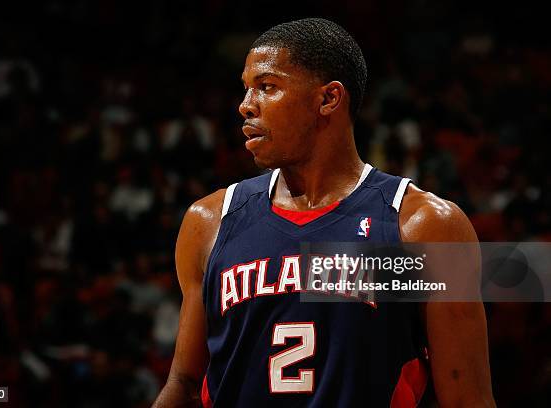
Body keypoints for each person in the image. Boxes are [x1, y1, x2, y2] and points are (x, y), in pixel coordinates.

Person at [153, 18, 494, 407]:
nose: (245, 106)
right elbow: (182, 383)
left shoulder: (423, 226)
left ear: (328, 99)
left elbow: (467, 398)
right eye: (246, 89)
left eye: (267, 87)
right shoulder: (209, 221)